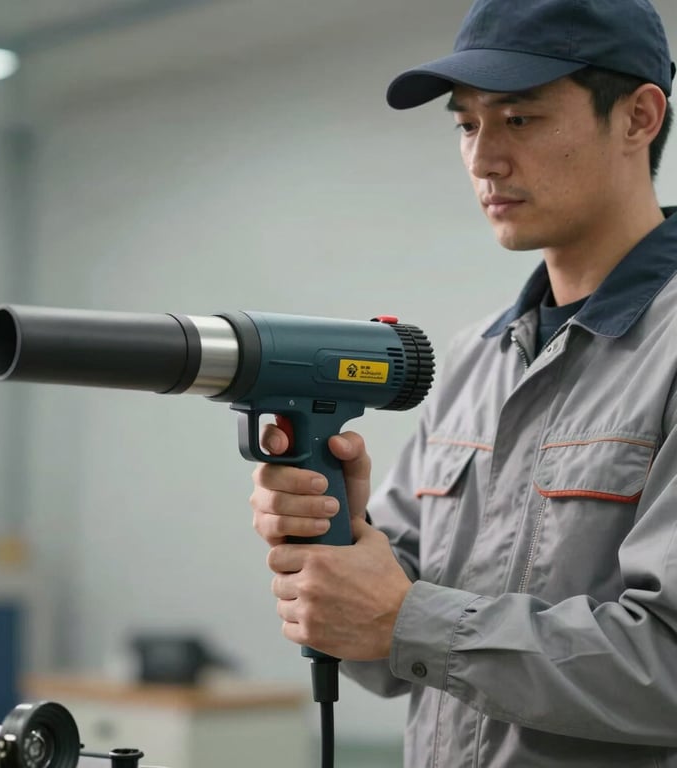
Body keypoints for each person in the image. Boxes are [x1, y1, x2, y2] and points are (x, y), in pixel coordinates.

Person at [249, 0, 677, 765]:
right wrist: (344, 551)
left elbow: (668, 665)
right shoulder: (475, 359)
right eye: (466, 124)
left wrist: (408, 618)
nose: (483, 159)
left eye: (519, 119)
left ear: (639, 118)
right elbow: (385, 654)